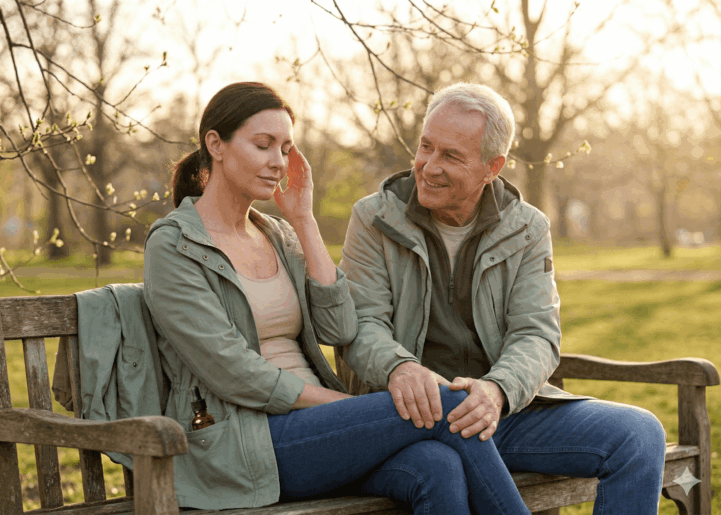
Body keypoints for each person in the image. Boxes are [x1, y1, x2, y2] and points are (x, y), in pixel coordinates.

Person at [143, 81, 533, 513]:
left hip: (321, 431)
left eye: (287, 148)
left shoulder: (278, 235)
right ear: (215, 144)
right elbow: (231, 370)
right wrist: (349, 406)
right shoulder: (175, 244)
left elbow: (339, 328)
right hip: (244, 442)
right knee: (444, 404)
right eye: (263, 145)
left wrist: (304, 220)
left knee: (438, 466)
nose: (278, 162)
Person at [337, 82, 667, 514]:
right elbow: (360, 325)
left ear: (492, 167)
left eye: (451, 156)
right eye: (426, 147)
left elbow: (537, 333)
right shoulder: (373, 217)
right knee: (441, 463)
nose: (428, 166)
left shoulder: (527, 227)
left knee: (639, 434)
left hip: (499, 414)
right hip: (408, 415)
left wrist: (496, 391)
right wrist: (401, 369)